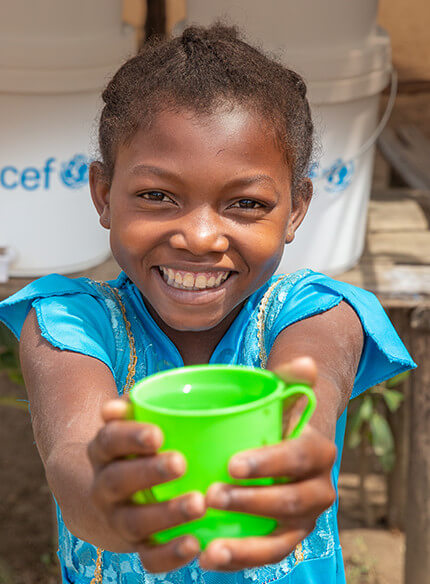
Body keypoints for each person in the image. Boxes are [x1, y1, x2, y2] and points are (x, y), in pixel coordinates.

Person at [0, 23, 415, 584]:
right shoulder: (71, 325)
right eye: (156, 196)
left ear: (295, 209)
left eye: (245, 202)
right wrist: (112, 503)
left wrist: (297, 461)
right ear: (103, 194)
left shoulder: (318, 314)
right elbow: (75, 459)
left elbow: (311, 400)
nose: (199, 236)